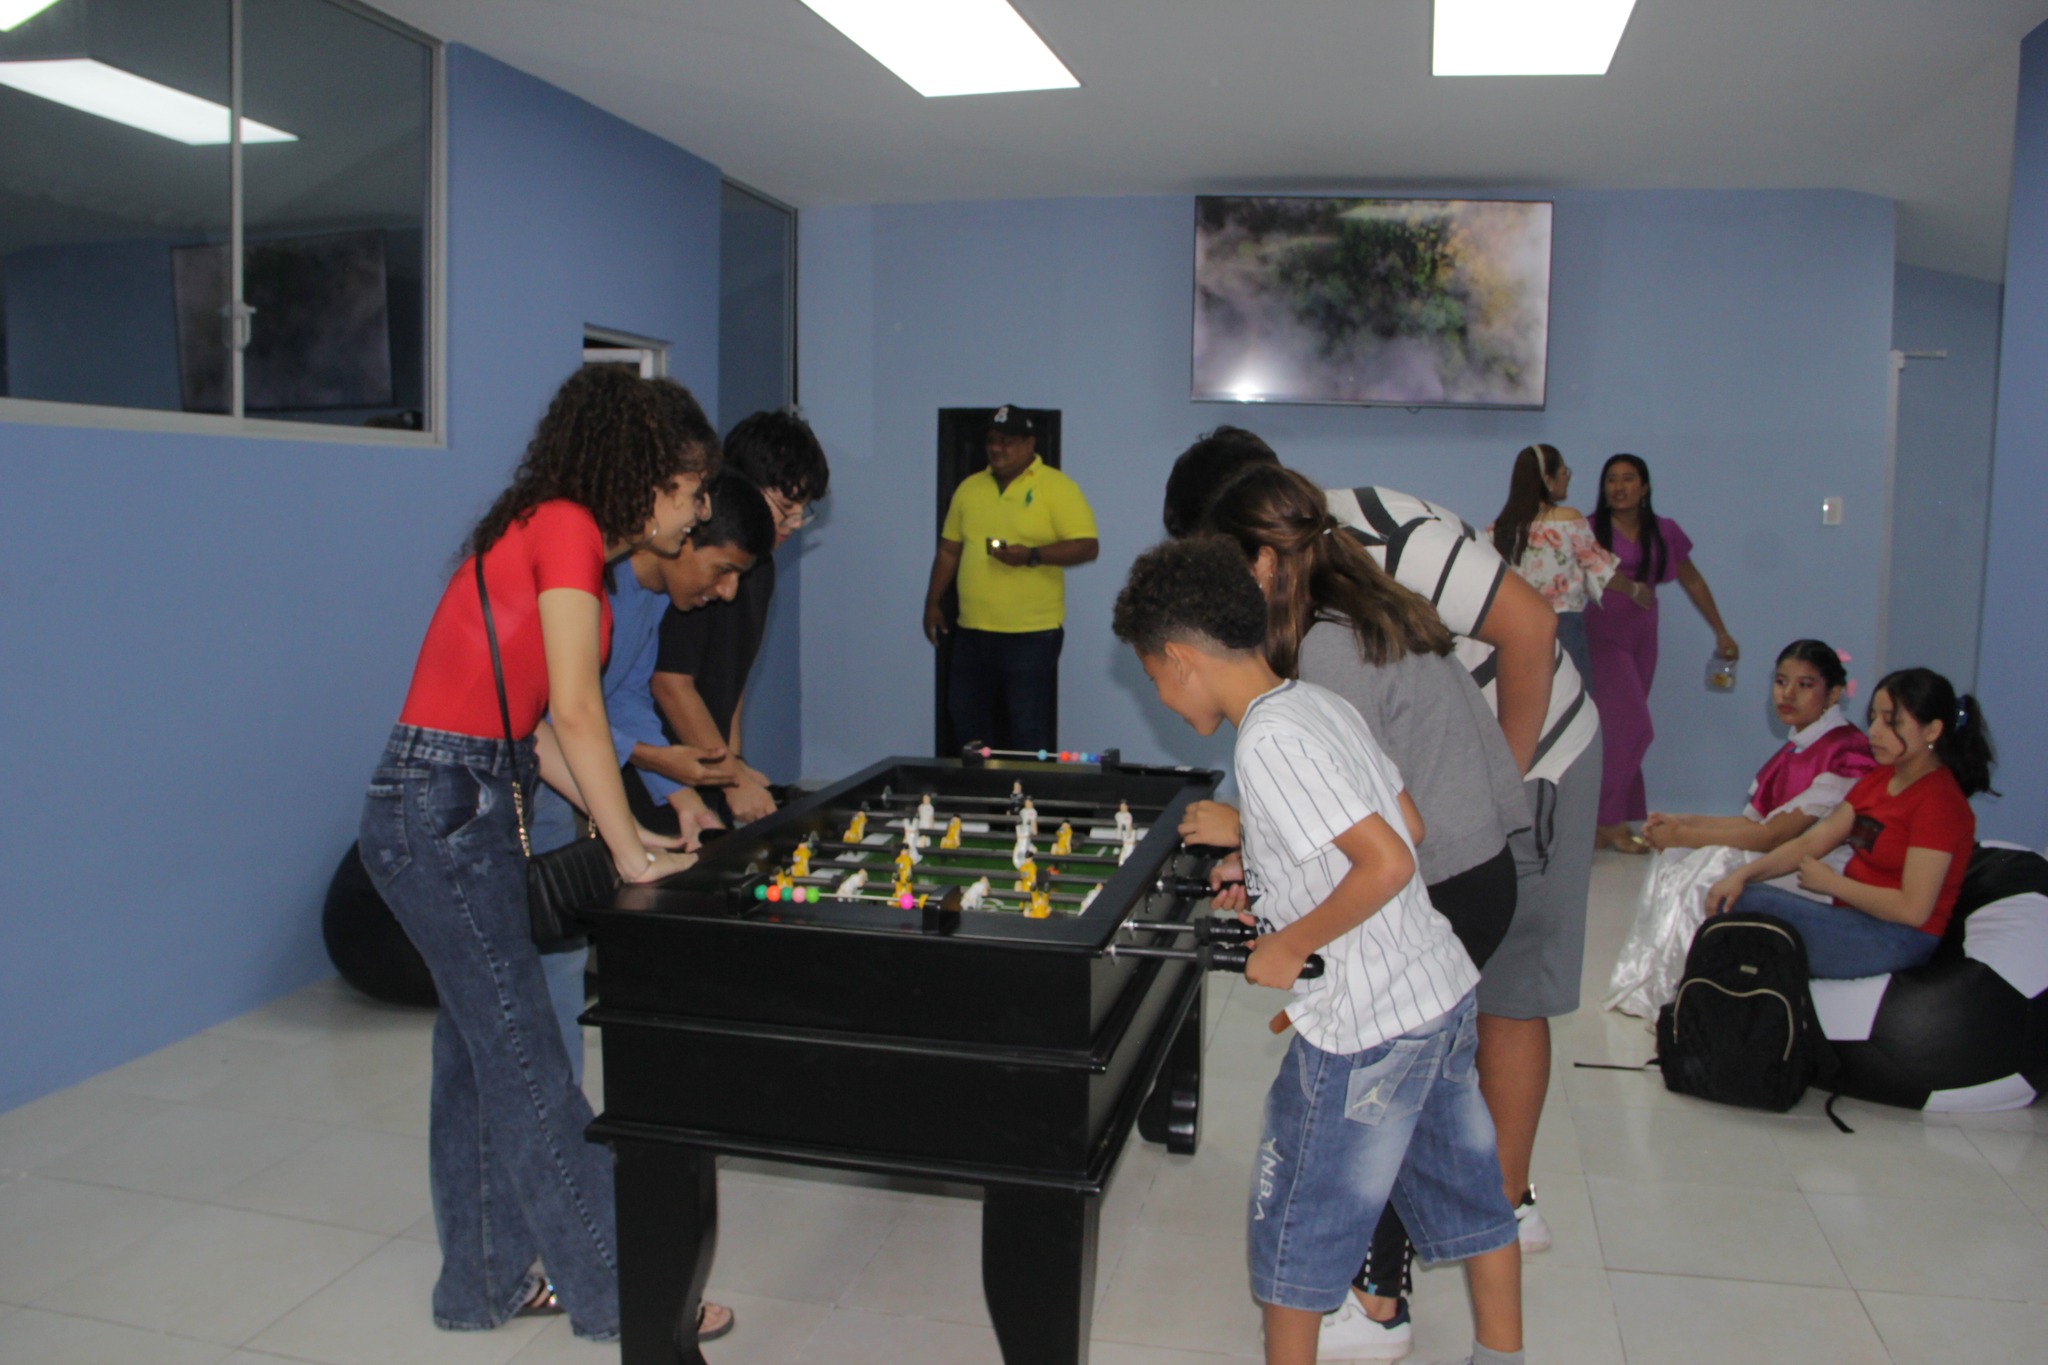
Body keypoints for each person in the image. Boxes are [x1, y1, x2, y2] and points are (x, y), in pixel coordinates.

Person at [1163, 427, 1598, 1273]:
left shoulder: (1330, 642)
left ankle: (1379, 1292)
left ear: (1260, 559)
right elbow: (1380, 806)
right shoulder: (1343, 598)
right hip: (1470, 856)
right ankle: (1480, 1231)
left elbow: (1384, 836)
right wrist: (1265, 861)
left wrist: (1260, 858)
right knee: (1426, 1082)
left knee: (1376, 1081)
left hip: (1467, 856)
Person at [356, 366, 724, 1342]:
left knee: (479, 1053)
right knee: (527, 1059)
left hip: (461, 789)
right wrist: (629, 855)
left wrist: (632, 832)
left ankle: (481, 1284)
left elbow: (541, 731)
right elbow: (576, 708)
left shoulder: (568, 542)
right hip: (443, 801)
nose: (697, 514)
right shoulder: (563, 525)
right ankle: (623, 1295)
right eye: (692, 492)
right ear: (646, 474)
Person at [1111, 536, 1522, 1365]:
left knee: (1294, 1233)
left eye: (1152, 675)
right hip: (1437, 996)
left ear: (1181, 658)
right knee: (1474, 1202)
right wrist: (1263, 865)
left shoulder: (1266, 743)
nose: (1158, 693)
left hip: (1361, 1029)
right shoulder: (1315, 702)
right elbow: (1405, 821)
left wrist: (1288, 941)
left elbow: (1388, 861)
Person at [529, 470, 775, 1084]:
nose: (727, 591)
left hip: (563, 773)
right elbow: (555, 710)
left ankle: (560, 1105)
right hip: (521, 774)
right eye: (723, 570)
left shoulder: (655, 598)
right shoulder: (592, 581)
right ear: (684, 538)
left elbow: (625, 698)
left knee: (560, 962)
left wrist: (682, 794)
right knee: (525, 973)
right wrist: (649, 762)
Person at [1605, 640, 1876, 1016]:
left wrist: (1687, 833)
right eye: (1781, 681)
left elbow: (1774, 835)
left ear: (1832, 694)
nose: (1788, 694)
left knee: (1713, 865)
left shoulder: (1845, 751)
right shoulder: (1795, 748)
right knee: (1676, 855)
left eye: (1804, 685)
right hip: (1783, 855)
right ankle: (1651, 987)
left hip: (1821, 867)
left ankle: (1692, 1002)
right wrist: (1682, 824)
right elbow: (1753, 823)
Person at [1703, 668, 1995, 978]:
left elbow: (1913, 910)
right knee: (1734, 892)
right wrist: (1742, 875)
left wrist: (1833, 884)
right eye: (1874, 718)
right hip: (1854, 920)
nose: (1875, 732)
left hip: (1898, 938)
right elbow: (1811, 842)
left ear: (1932, 730)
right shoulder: (1881, 779)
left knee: (1745, 905)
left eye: (1891, 722)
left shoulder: (1939, 802)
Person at [653, 409, 831, 843]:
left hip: (707, 769)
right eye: (785, 507)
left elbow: (733, 680)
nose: (794, 523)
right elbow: (670, 682)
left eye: (803, 510)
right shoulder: (699, 561)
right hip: (658, 773)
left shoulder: (761, 569)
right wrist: (730, 778)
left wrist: (735, 761)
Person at [1584, 453, 1739, 853]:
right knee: (1634, 726)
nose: (1618, 487)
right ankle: (1609, 822)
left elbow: (1692, 580)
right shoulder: (1588, 529)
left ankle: (1611, 820)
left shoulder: (1663, 531)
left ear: (1645, 487)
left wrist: (1721, 631)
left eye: (1628, 478)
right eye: (1611, 480)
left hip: (1642, 638)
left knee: (1619, 732)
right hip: (1601, 637)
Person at [923, 405, 1099, 752]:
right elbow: (948, 551)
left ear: (1030, 444)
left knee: (1026, 725)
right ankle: (980, 784)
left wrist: (1032, 555)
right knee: (965, 716)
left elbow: (1087, 546)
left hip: (1031, 635)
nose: (996, 448)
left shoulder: (1057, 487)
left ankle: (1026, 787)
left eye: (1007, 441)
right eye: (992, 440)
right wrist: (932, 603)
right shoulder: (969, 488)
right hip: (972, 631)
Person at [1488, 443, 1618, 684]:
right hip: (1562, 626)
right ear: (1548, 480)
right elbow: (1600, 572)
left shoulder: (1497, 530)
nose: (1567, 478)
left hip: (1514, 629)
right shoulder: (1568, 519)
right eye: (1564, 472)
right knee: (1572, 698)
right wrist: (1635, 590)